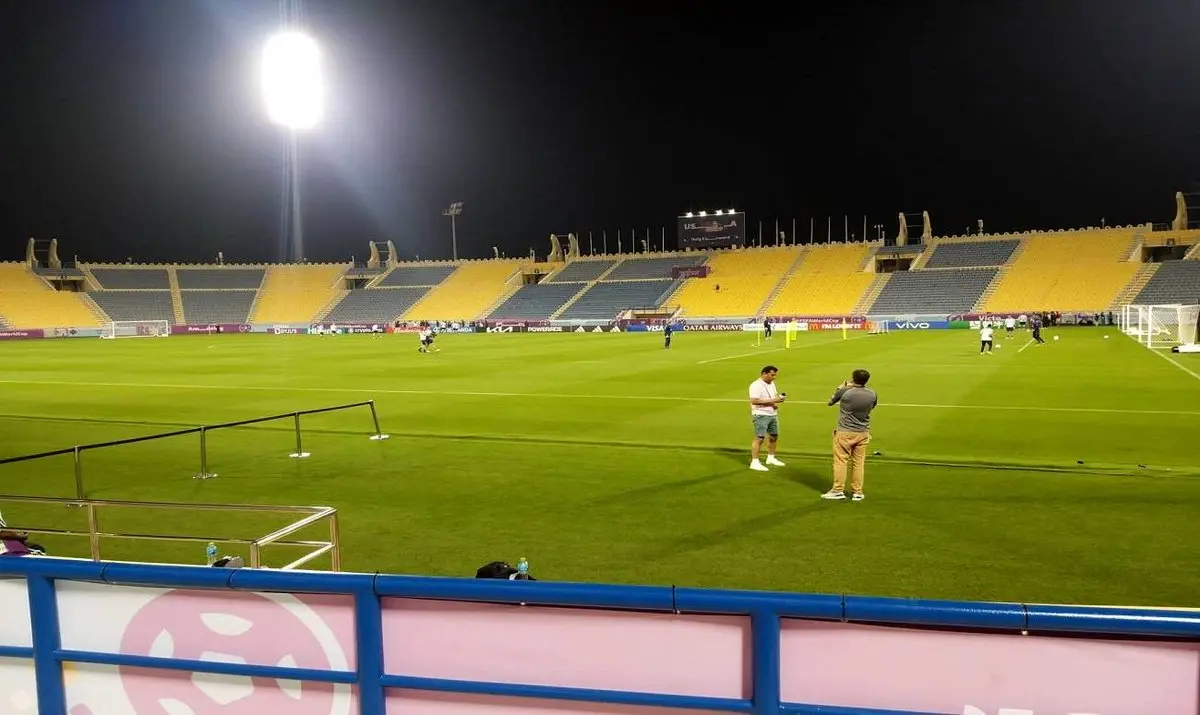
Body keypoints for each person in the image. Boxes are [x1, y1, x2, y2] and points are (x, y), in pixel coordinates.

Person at [823, 369, 878, 501]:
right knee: (858, 463)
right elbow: (872, 406)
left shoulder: (845, 391)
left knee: (841, 462)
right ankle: (857, 492)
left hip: (845, 432)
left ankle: (838, 490)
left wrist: (840, 388)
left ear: (853, 378)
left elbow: (830, 402)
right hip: (863, 432)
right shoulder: (872, 393)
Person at [748, 365, 787, 471]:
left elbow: (771, 397)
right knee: (759, 438)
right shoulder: (756, 385)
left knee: (774, 436)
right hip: (760, 414)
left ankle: (771, 458)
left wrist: (776, 402)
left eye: (775, 375)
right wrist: (774, 400)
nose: (774, 377)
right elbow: (754, 400)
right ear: (764, 374)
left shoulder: (771, 384)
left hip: (772, 414)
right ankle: (754, 462)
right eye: (772, 375)